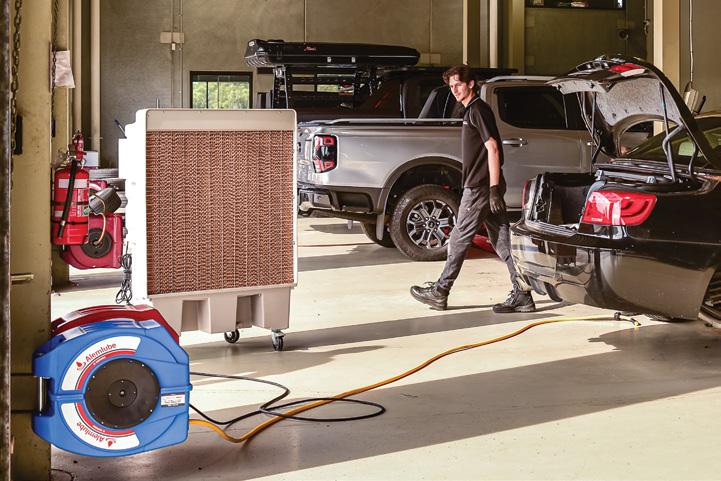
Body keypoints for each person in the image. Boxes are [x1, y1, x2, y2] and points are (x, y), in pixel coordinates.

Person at [410, 65, 535, 313]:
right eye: (451, 86)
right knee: (502, 241)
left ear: (470, 84)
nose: (454, 90)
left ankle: (440, 291)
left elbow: (493, 148)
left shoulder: (478, 109)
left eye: (458, 84)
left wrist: (494, 188)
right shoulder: (471, 110)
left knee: (458, 238)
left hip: (480, 188)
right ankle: (523, 294)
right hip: (484, 186)